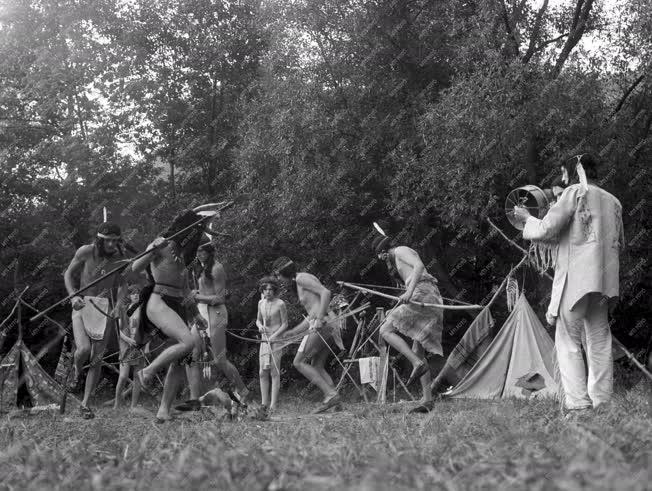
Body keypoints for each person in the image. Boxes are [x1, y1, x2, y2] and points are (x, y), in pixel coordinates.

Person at [513, 153, 624, 416]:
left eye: (564, 172)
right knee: (598, 340)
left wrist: (526, 218)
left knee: (568, 341)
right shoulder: (614, 201)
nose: (562, 177)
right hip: (604, 282)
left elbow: (547, 229)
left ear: (574, 170)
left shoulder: (574, 192)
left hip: (577, 280)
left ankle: (578, 405)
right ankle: (602, 402)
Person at [131, 209, 209, 422]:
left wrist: (196, 315)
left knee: (181, 358)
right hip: (158, 301)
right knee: (188, 342)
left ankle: (163, 410)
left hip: (178, 304)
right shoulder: (161, 244)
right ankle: (148, 371)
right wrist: (151, 252)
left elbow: (184, 290)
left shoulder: (184, 257)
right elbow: (135, 267)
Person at [63, 222, 129, 419]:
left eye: (115, 241)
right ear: (100, 239)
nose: (111, 244)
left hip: (104, 307)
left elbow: (124, 282)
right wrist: (73, 296)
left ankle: (85, 404)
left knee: (97, 358)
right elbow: (68, 273)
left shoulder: (120, 258)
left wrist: (118, 304)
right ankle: (76, 373)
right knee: (83, 350)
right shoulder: (86, 251)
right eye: (107, 240)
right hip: (82, 303)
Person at [176, 242, 253, 411]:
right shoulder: (199, 268)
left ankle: (243, 391)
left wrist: (196, 297)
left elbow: (219, 298)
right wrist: (196, 299)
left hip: (216, 314)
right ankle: (194, 401)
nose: (199, 254)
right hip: (202, 313)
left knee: (220, 360)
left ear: (210, 252)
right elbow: (199, 294)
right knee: (191, 355)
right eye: (197, 250)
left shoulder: (217, 268)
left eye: (202, 251)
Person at [371, 235, 444, 402]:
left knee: (385, 330)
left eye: (382, 258)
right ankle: (427, 400)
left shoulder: (399, 250)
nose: (384, 262)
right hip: (426, 295)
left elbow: (419, 266)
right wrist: (402, 301)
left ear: (383, 252)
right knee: (418, 347)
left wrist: (409, 292)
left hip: (423, 293)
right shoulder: (397, 259)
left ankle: (416, 363)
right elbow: (411, 283)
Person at [272, 257, 343, 413]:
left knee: (298, 362)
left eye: (278, 276)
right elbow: (312, 313)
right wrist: (292, 332)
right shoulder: (302, 279)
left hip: (323, 324)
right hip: (326, 324)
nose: (278, 280)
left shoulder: (301, 278)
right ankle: (336, 403)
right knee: (317, 365)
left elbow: (326, 293)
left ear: (283, 272)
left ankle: (330, 395)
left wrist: (318, 319)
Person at [256, 276, 288, 412]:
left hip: (276, 341)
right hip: (264, 340)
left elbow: (285, 324)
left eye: (270, 289)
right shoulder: (260, 303)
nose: (268, 292)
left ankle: (273, 405)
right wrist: (259, 327)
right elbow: (258, 320)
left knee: (274, 372)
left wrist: (274, 336)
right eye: (265, 289)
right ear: (262, 290)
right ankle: (264, 404)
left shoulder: (280, 304)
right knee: (262, 372)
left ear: (275, 290)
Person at [114, 285, 143, 410]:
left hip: (139, 346)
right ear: (129, 296)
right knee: (123, 376)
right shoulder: (123, 309)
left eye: (137, 293)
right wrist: (127, 339)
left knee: (137, 377)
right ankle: (117, 404)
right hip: (126, 346)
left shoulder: (144, 311)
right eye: (133, 293)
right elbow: (117, 330)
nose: (135, 295)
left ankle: (134, 406)